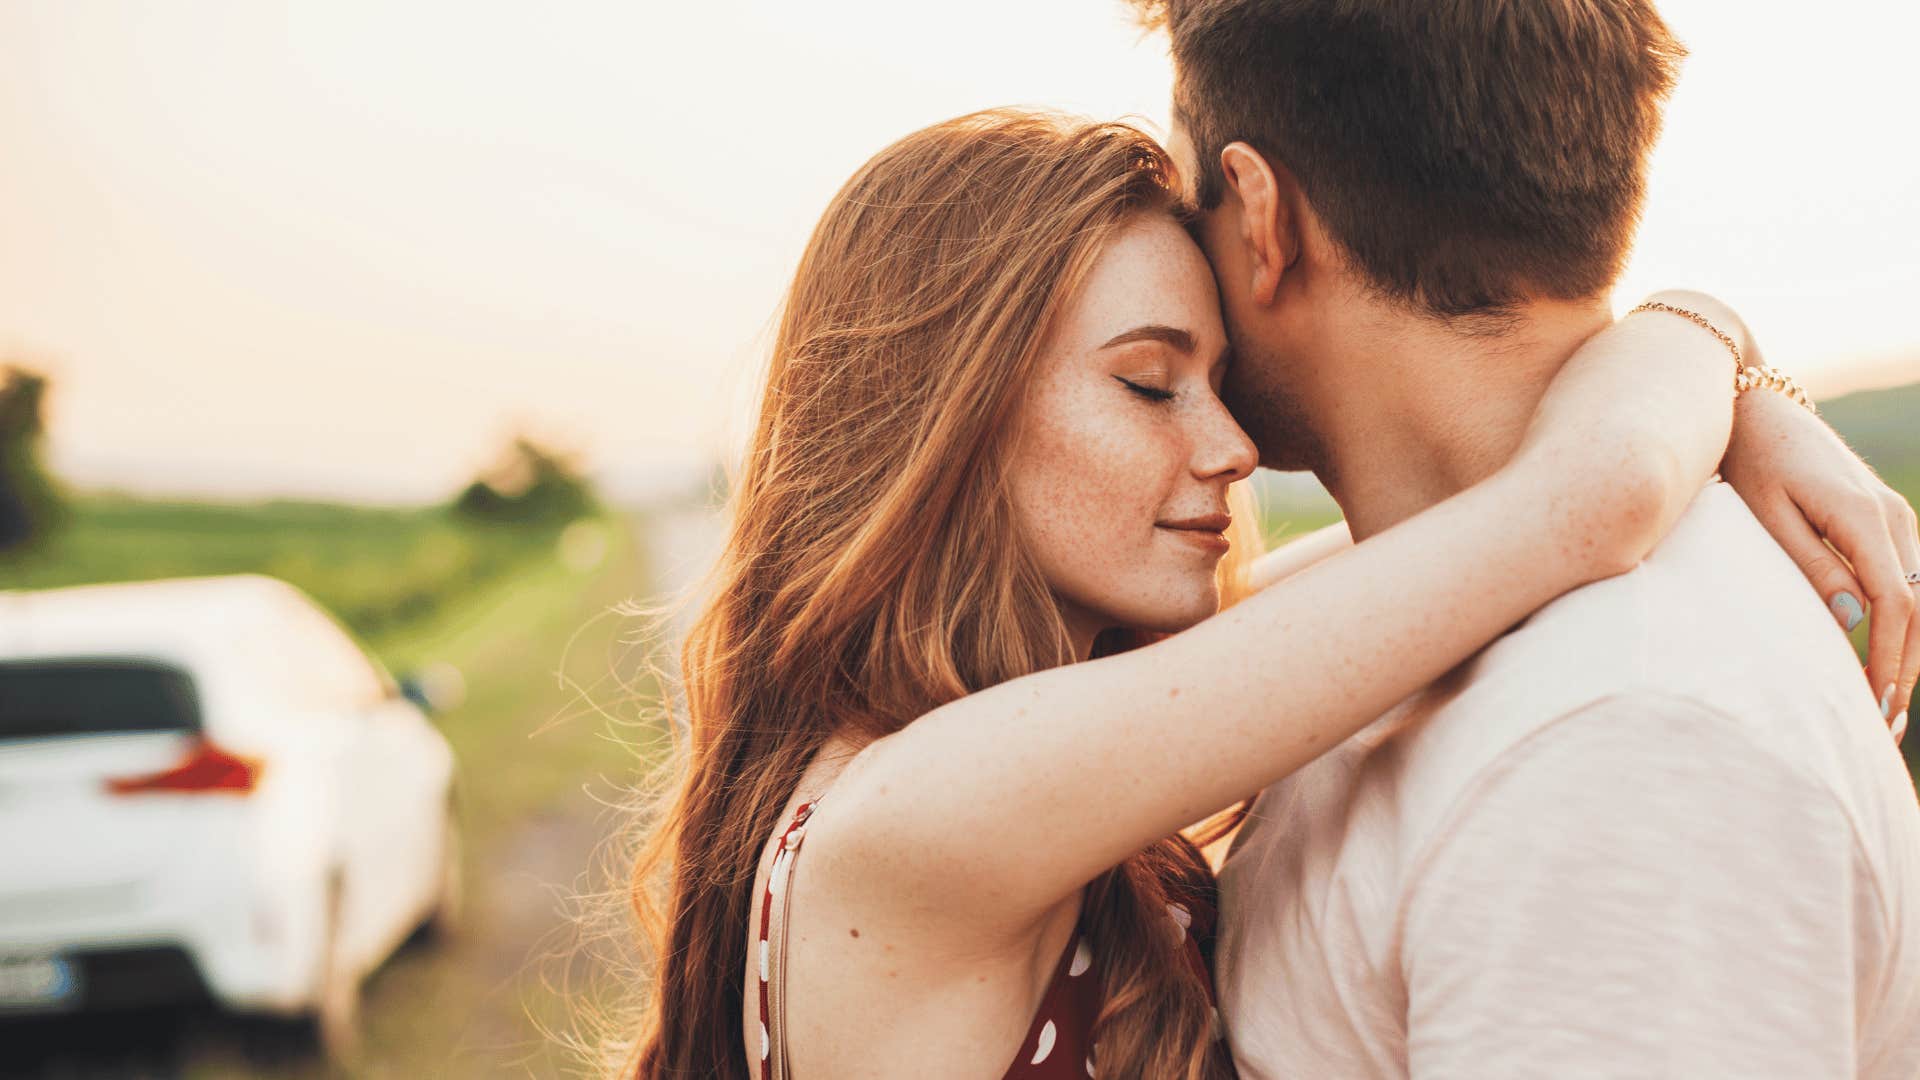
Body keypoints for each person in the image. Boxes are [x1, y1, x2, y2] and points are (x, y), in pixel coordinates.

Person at [615, 108, 1918, 1079]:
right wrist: (1713, 335)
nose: (1231, 448)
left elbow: (1451, 549)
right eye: (1147, 382)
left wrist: (1739, 388)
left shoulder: (1025, 738)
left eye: (1220, 383)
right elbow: (1587, 500)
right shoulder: (922, 811)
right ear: (940, 417)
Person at [1126, 0, 1920, 1075]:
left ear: (1262, 217)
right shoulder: (1368, 606)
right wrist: (1714, 343)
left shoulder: (1623, 746)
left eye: (1189, 198)